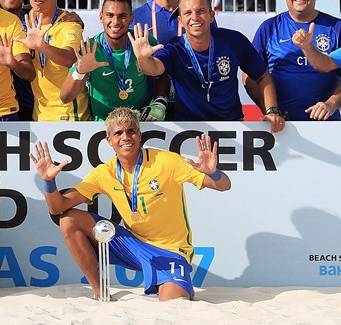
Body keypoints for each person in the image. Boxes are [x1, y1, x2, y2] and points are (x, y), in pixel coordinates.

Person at [30, 108, 230, 301]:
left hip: (171, 251)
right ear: (109, 140)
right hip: (133, 245)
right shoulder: (104, 173)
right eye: (118, 133)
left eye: (131, 131)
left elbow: (223, 186)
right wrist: (49, 182)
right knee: (69, 220)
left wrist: (213, 173)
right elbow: (58, 208)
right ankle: (100, 292)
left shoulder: (167, 161)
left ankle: (178, 284)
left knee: (173, 304)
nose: (125, 136)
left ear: (139, 135)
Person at [131, 0, 285, 132]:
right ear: (181, 20)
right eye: (188, 13)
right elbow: (153, 69)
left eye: (201, 11)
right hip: (187, 131)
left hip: (231, 128)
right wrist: (143, 58)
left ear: (212, 16)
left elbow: (262, 75)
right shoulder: (174, 48)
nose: (195, 18)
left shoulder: (233, 41)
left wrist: (272, 110)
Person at [250, 0, 341, 121]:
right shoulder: (269, 28)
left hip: (326, 123)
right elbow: (250, 75)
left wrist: (332, 104)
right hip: (282, 125)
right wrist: (271, 110)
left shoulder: (337, 27)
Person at [61, 0, 170, 121]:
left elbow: (162, 76)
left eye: (122, 16)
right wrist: (79, 72)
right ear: (101, 17)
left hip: (140, 122)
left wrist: (160, 102)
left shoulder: (142, 41)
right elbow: (65, 97)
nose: (116, 22)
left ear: (131, 18)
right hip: (102, 124)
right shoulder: (90, 49)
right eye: (110, 15)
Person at [18, 0, 88, 121]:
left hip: (70, 114)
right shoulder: (22, 21)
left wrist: (42, 46)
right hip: (39, 116)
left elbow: (70, 58)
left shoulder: (70, 23)